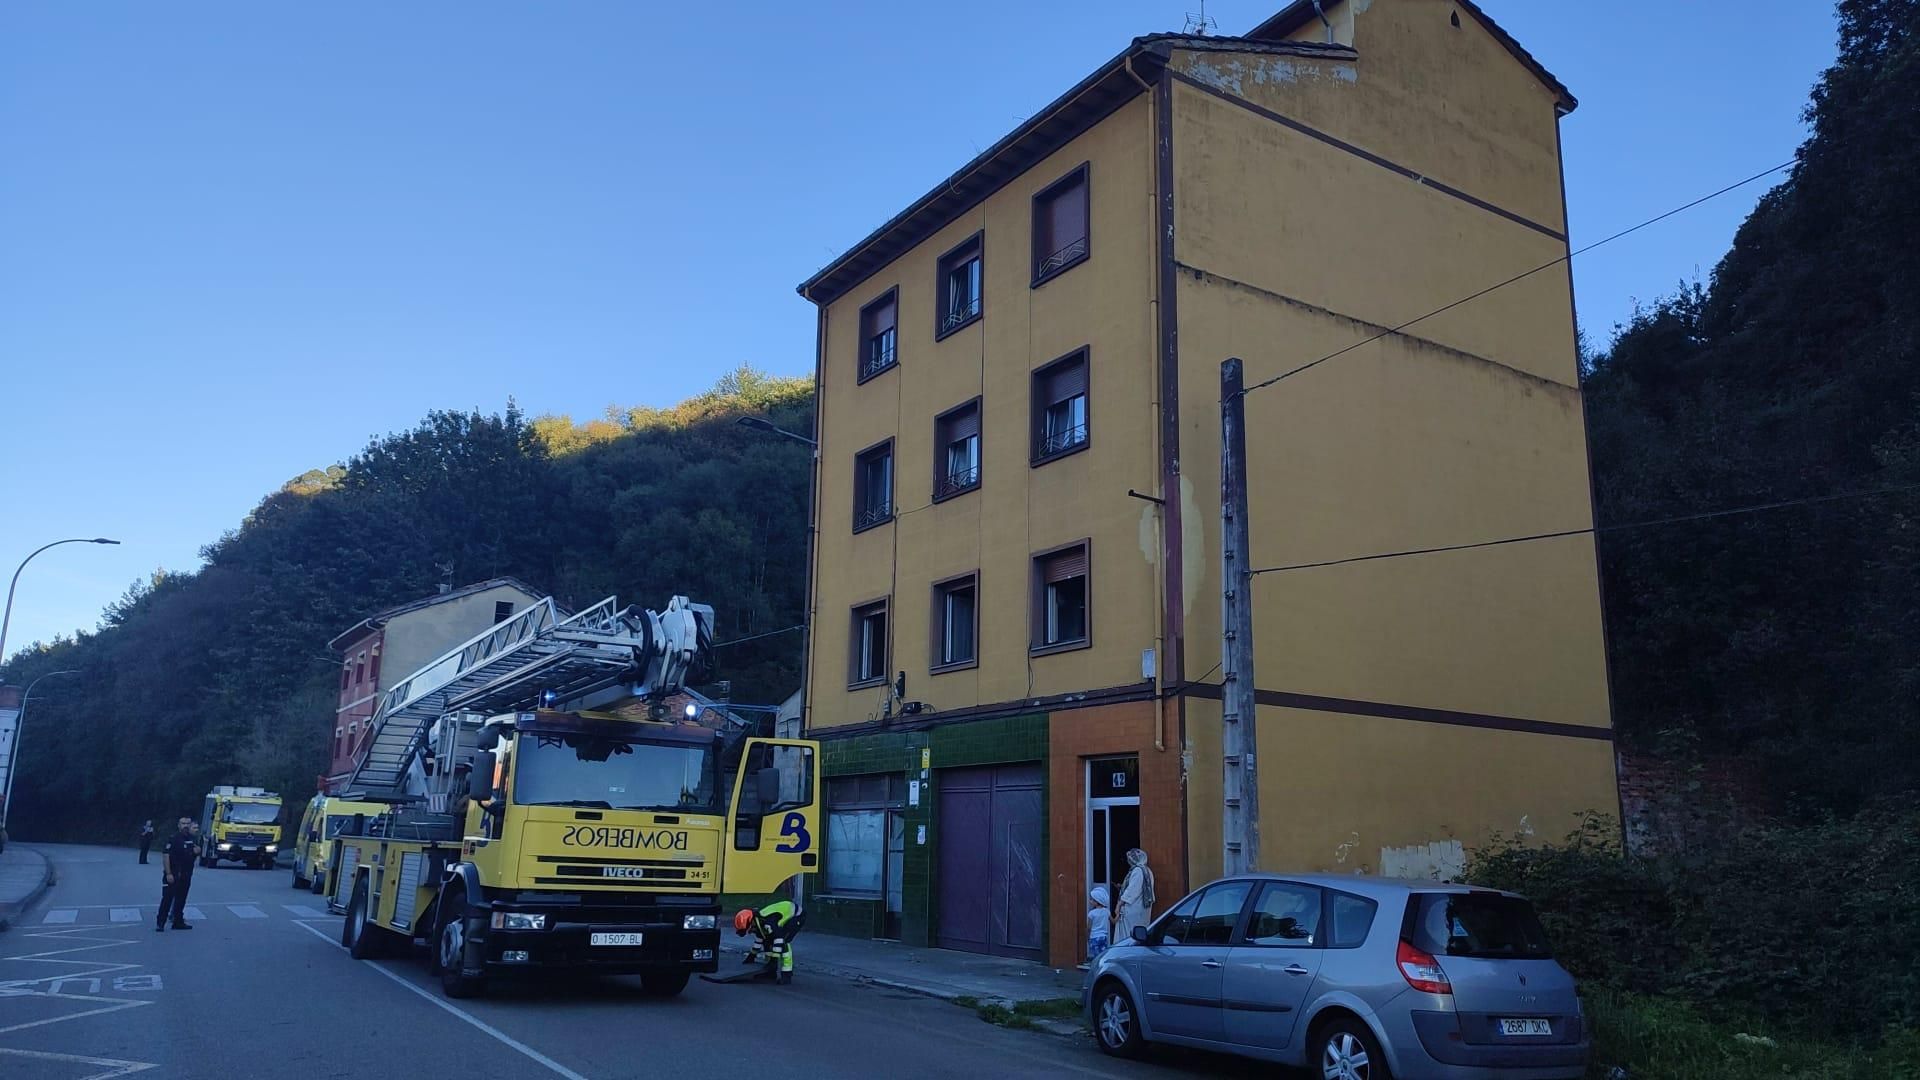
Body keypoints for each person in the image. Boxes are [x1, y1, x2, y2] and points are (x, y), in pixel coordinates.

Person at [732, 899, 804, 984]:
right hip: (785, 913)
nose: (751, 931)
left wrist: (774, 959)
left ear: (751, 922)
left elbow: (778, 939)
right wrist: (752, 955)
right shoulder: (758, 922)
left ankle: (787, 975)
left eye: (750, 929)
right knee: (767, 941)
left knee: (783, 943)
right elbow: (759, 940)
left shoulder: (768, 922)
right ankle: (770, 973)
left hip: (797, 915)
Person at [156, 817, 198, 932]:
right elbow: (166, 856)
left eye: (188, 823)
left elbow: (193, 854)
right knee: (167, 899)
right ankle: (160, 923)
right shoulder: (173, 838)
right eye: (183, 823)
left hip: (186, 874)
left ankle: (178, 922)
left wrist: (196, 852)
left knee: (181, 899)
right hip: (173, 874)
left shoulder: (192, 839)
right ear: (178, 825)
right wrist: (168, 873)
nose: (185, 825)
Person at [1112, 847, 1156, 945]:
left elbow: (1132, 891)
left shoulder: (1138, 871)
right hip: (1142, 910)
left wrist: (1119, 904)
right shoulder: (1147, 871)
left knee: (1129, 936)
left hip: (1133, 910)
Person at [1086, 884, 1111, 963]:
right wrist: (1118, 914)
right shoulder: (1107, 911)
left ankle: (1096, 971)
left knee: (1096, 958)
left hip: (1094, 938)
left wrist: (1087, 938)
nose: (1090, 901)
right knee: (1103, 956)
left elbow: (1089, 928)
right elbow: (1113, 921)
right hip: (1103, 937)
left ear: (1097, 902)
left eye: (1092, 900)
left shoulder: (1091, 913)